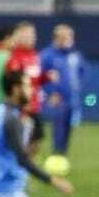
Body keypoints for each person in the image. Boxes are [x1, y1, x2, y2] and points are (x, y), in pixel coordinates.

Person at [5, 21, 52, 161]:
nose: (31, 37)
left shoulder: (35, 56)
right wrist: (21, 105)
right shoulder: (14, 57)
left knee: (36, 141)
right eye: (27, 35)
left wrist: (47, 77)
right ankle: (19, 171)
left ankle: (26, 170)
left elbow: (36, 80)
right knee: (22, 142)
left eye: (33, 34)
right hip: (23, 107)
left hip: (35, 105)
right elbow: (14, 83)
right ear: (18, 37)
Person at [39, 23, 86, 157]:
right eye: (65, 36)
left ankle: (63, 156)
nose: (68, 39)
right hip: (56, 100)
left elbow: (83, 71)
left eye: (70, 36)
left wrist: (77, 86)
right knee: (58, 129)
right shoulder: (47, 55)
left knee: (68, 129)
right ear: (56, 38)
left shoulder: (74, 55)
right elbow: (40, 76)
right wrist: (50, 92)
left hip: (71, 99)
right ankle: (56, 156)